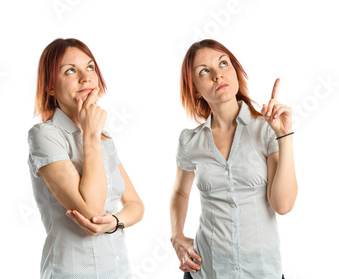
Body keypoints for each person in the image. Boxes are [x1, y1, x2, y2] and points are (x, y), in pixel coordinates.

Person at [170, 39, 297, 279]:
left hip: (261, 271)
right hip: (208, 271)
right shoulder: (190, 141)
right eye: (204, 71)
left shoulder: (266, 129)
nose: (218, 75)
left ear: (236, 72)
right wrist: (176, 235)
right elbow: (180, 192)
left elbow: (283, 205)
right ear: (195, 88)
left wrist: (284, 135)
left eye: (223, 64)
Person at [27, 38, 145, 278]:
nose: (86, 77)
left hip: (118, 271)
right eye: (70, 70)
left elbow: (135, 205)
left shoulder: (104, 138)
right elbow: (92, 209)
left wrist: (114, 222)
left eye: (90, 67)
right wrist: (89, 134)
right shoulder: (44, 135)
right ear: (50, 87)